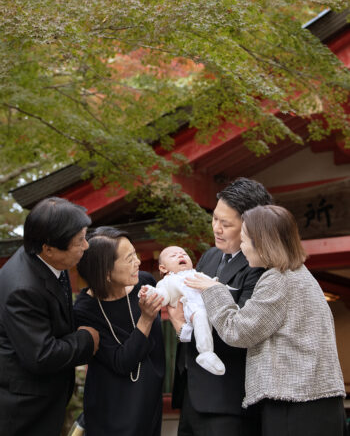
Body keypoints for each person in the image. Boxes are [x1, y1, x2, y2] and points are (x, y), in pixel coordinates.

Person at [186, 205, 347, 436]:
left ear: (262, 243)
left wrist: (214, 290)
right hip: (314, 400)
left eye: (244, 240)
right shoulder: (300, 274)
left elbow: (238, 331)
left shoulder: (277, 279)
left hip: (295, 401)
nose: (241, 247)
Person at [167, 177, 273, 436]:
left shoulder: (260, 266)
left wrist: (184, 330)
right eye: (214, 218)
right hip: (191, 392)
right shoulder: (210, 256)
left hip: (229, 399)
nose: (216, 228)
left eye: (226, 224)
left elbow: (244, 332)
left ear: (251, 226)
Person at [0, 197, 99, 436]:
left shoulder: (47, 262)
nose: (86, 246)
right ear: (49, 248)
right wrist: (87, 339)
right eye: (79, 241)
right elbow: (41, 355)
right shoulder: (22, 288)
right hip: (24, 408)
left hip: (49, 397)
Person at [73, 226, 166, 436]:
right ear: (106, 272)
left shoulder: (145, 282)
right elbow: (121, 362)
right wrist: (146, 319)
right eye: (128, 258)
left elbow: (156, 346)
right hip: (112, 410)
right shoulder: (85, 310)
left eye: (135, 254)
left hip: (148, 399)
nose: (138, 262)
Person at [140, 245, 225, 376]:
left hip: (212, 306)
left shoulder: (198, 274)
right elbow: (162, 297)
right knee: (200, 316)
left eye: (184, 254)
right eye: (173, 256)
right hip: (192, 309)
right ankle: (206, 353)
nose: (180, 255)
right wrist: (150, 292)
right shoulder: (167, 282)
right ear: (163, 268)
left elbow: (215, 286)